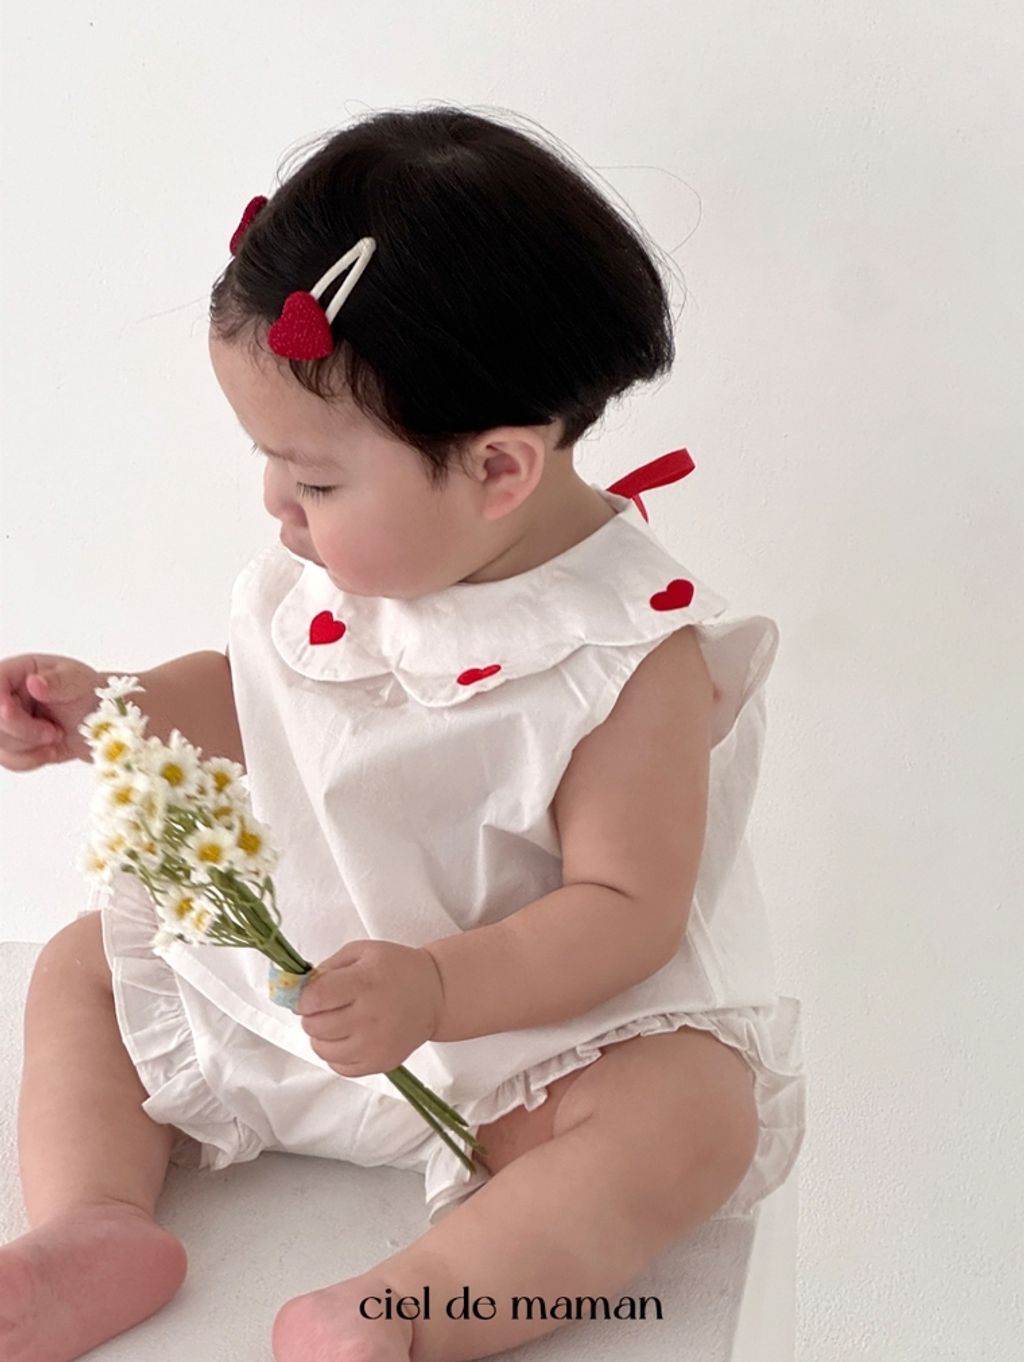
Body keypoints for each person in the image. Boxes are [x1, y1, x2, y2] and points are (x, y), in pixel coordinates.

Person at [0, 104, 806, 1362]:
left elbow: (623, 910)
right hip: (295, 996)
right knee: (81, 965)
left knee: (693, 1117)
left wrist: (438, 990)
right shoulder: (336, 567)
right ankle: (92, 1222)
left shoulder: (624, 653)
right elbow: (258, 699)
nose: (277, 503)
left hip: (518, 1046)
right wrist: (110, 704)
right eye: (272, 462)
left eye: (315, 478)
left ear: (497, 470)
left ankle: (417, 1303)